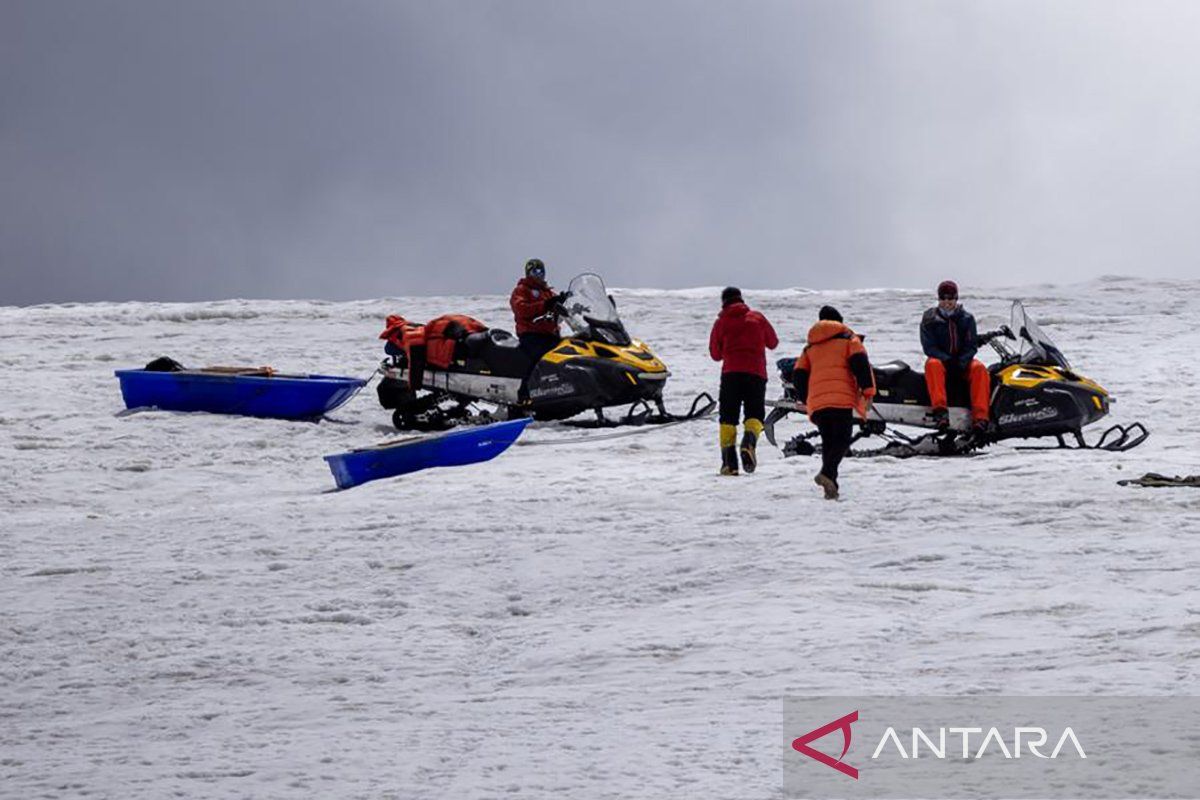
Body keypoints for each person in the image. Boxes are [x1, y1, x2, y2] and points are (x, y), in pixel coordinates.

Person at [792, 306, 875, 500]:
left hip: (819, 403)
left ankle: (832, 486)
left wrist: (807, 398)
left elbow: (798, 374)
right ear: (840, 321)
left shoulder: (810, 347)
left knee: (829, 442)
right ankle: (827, 474)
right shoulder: (848, 339)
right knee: (842, 440)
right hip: (841, 398)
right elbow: (860, 364)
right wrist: (868, 390)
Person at [708, 287, 778, 475]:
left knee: (728, 418)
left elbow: (715, 354)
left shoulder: (721, 323)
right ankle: (749, 442)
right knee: (754, 414)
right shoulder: (757, 318)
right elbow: (773, 342)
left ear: (724, 302)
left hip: (731, 374)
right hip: (756, 374)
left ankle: (729, 464)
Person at [919, 280, 990, 432]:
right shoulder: (929, 318)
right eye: (943, 298)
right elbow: (928, 346)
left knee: (979, 369)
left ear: (956, 299)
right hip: (941, 360)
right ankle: (941, 413)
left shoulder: (967, 318)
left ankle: (981, 418)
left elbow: (971, 345)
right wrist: (947, 360)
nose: (946, 302)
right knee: (932, 365)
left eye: (950, 298)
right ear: (939, 299)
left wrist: (961, 362)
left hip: (962, 363)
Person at [510, 259, 566, 362]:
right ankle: (529, 378)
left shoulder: (548, 293)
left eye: (540, 272)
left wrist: (571, 305)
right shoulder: (522, 290)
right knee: (543, 360)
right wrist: (545, 304)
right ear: (528, 274)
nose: (538, 275)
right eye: (534, 272)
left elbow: (557, 309)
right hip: (532, 335)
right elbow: (521, 309)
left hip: (550, 336)